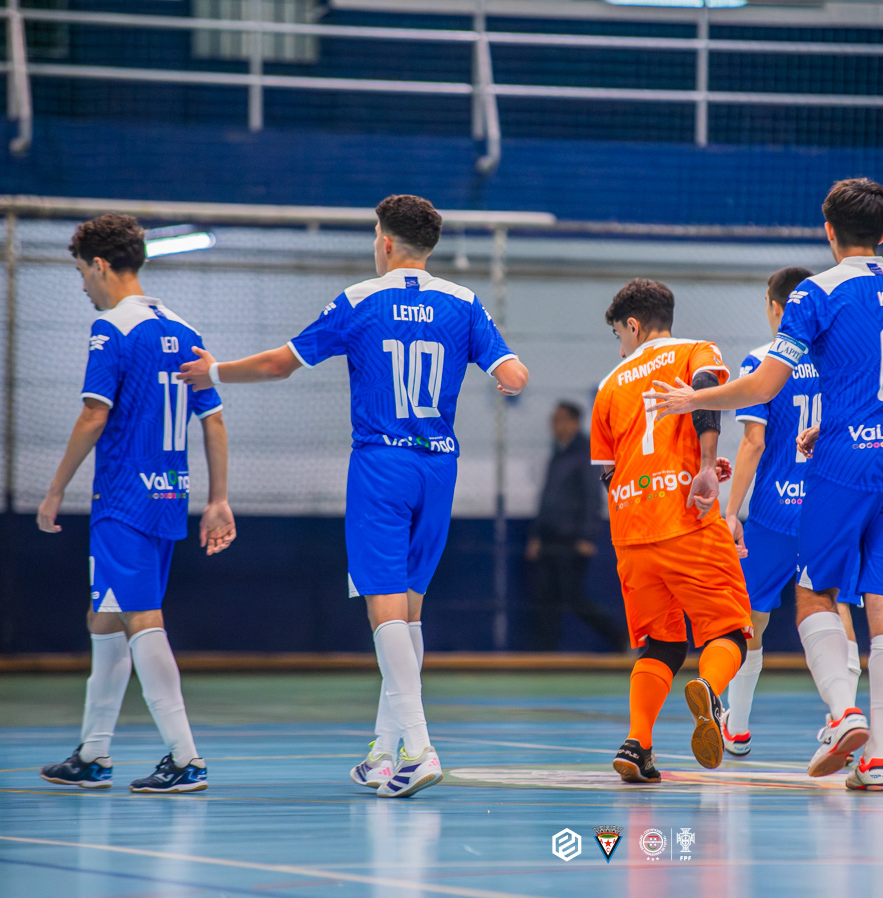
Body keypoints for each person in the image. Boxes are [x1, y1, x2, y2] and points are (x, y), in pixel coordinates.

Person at [180, 194, 528, 798]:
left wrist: (213, 371)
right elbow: (515, 377)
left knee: (383, 607)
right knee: (409, 609)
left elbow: (278, 365)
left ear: (385, 243)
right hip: (439, 467)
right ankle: (384, 753)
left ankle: (419, 747)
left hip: (382, 463)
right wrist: (500, 379)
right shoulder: (464, 302)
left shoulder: (361, 300)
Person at [646, 178, 883, 791]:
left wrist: (693, 399)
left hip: (845, 467)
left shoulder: (816, 292)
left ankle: (843, 712)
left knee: (814, 595)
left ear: (829, 232)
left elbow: (763, 387)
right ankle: (879, 760)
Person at [38, 214, 236, 794]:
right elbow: (214, 420)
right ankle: (93, 754)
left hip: (123, 498)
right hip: (168, 494)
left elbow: (93, 413)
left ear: (100, 265)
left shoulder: (111, 329)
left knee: (142, 620)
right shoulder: (183, 328)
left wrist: (55, 489)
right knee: (105, 618)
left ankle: (186, 758)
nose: (82, 284)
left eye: (82, 272)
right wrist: (218, 499)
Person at [591, 278, 753, 783]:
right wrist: (703, 465)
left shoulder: (609, 384)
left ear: (634, 326)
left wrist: (661, 479)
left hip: (630, 534)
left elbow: (610, 471)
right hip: (686, 519)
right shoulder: (695, 350)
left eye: (619, 334)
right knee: (729, 631)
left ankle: (637, 744)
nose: (620, 344)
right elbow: (705, 394)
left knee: (660, 645)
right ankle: (710, 690)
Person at [722, 265, 864, 772]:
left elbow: (753, 442)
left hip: (773, 512)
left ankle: (737, 727)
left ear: (776, 308)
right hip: (828, 508)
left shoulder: (762, 362)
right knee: (836, 606)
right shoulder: (841, 363)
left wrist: (731, 511)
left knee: (750, 617)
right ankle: (843, 714)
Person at [525, 402, 627, 651]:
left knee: (573, 597)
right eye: (554, 419)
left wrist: (587, 537)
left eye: (561, 419)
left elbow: (593, 497)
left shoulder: (585, 454)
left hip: (571, 540)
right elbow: (547, 497)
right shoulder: (557, 454)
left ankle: (620, 638)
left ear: (574, 423)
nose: (555, 425)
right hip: (549, 538)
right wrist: (537, 535)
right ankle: (544, 653)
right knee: (545, 598)